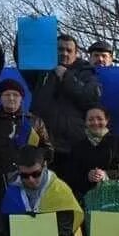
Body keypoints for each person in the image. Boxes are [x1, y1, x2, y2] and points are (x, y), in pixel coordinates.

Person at [22, 35, 101, 187]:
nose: (64, 53)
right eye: (60, 49)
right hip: (42, 147)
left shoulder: (86, 72)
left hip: (73, 147)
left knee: (71, 195)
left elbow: (90, 97)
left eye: (68, 50)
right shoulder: (40, 71)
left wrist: (65, 76)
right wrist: (29, 31)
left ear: (75, 53)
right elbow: (23, 58)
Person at [0, 79, 52, 205]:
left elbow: (48, 150)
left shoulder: (35, 122)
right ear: (0, 98)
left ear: (21, 98)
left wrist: (34, 160)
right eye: (7, 95)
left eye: (15, 95)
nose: (11, 98)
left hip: (30, 181)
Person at [67, 106, 119, 203]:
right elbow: (71, 175)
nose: (95, 123)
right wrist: (88, 176)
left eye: (99, 119)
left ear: (107, 121)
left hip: (115, 199)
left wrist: (106, 175)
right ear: (85, 122)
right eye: (90, 119)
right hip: (86, 200)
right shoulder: (78, 146)